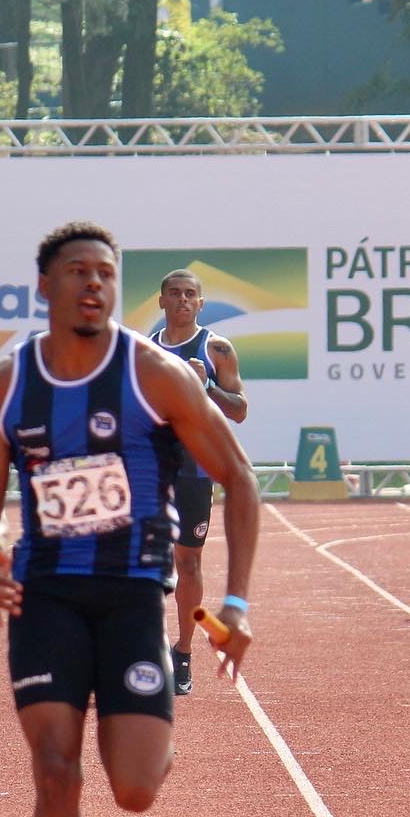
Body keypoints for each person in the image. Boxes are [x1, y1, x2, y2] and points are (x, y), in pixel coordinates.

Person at [0, 221, 260, 817]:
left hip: (134, 593)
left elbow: (237, 477)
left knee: (131, 790)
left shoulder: (154, 374)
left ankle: (151, 738)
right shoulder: (4, 385)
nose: (94, 284)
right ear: (45, 288)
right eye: (77, 273)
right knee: (56, 775)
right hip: (46, 594)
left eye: (106, 273)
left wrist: (233, 605)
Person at [148, 269, 248, 695]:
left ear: (201, 304)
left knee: (187, 564)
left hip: (193, 470)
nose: (183, 300)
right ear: (162, 301)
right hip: (149, 469)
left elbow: (240, 409)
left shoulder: (217, 349)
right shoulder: (144, 350)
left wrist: (206, 386)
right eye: (175, 294)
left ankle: (183, 652)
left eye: (191, 295)